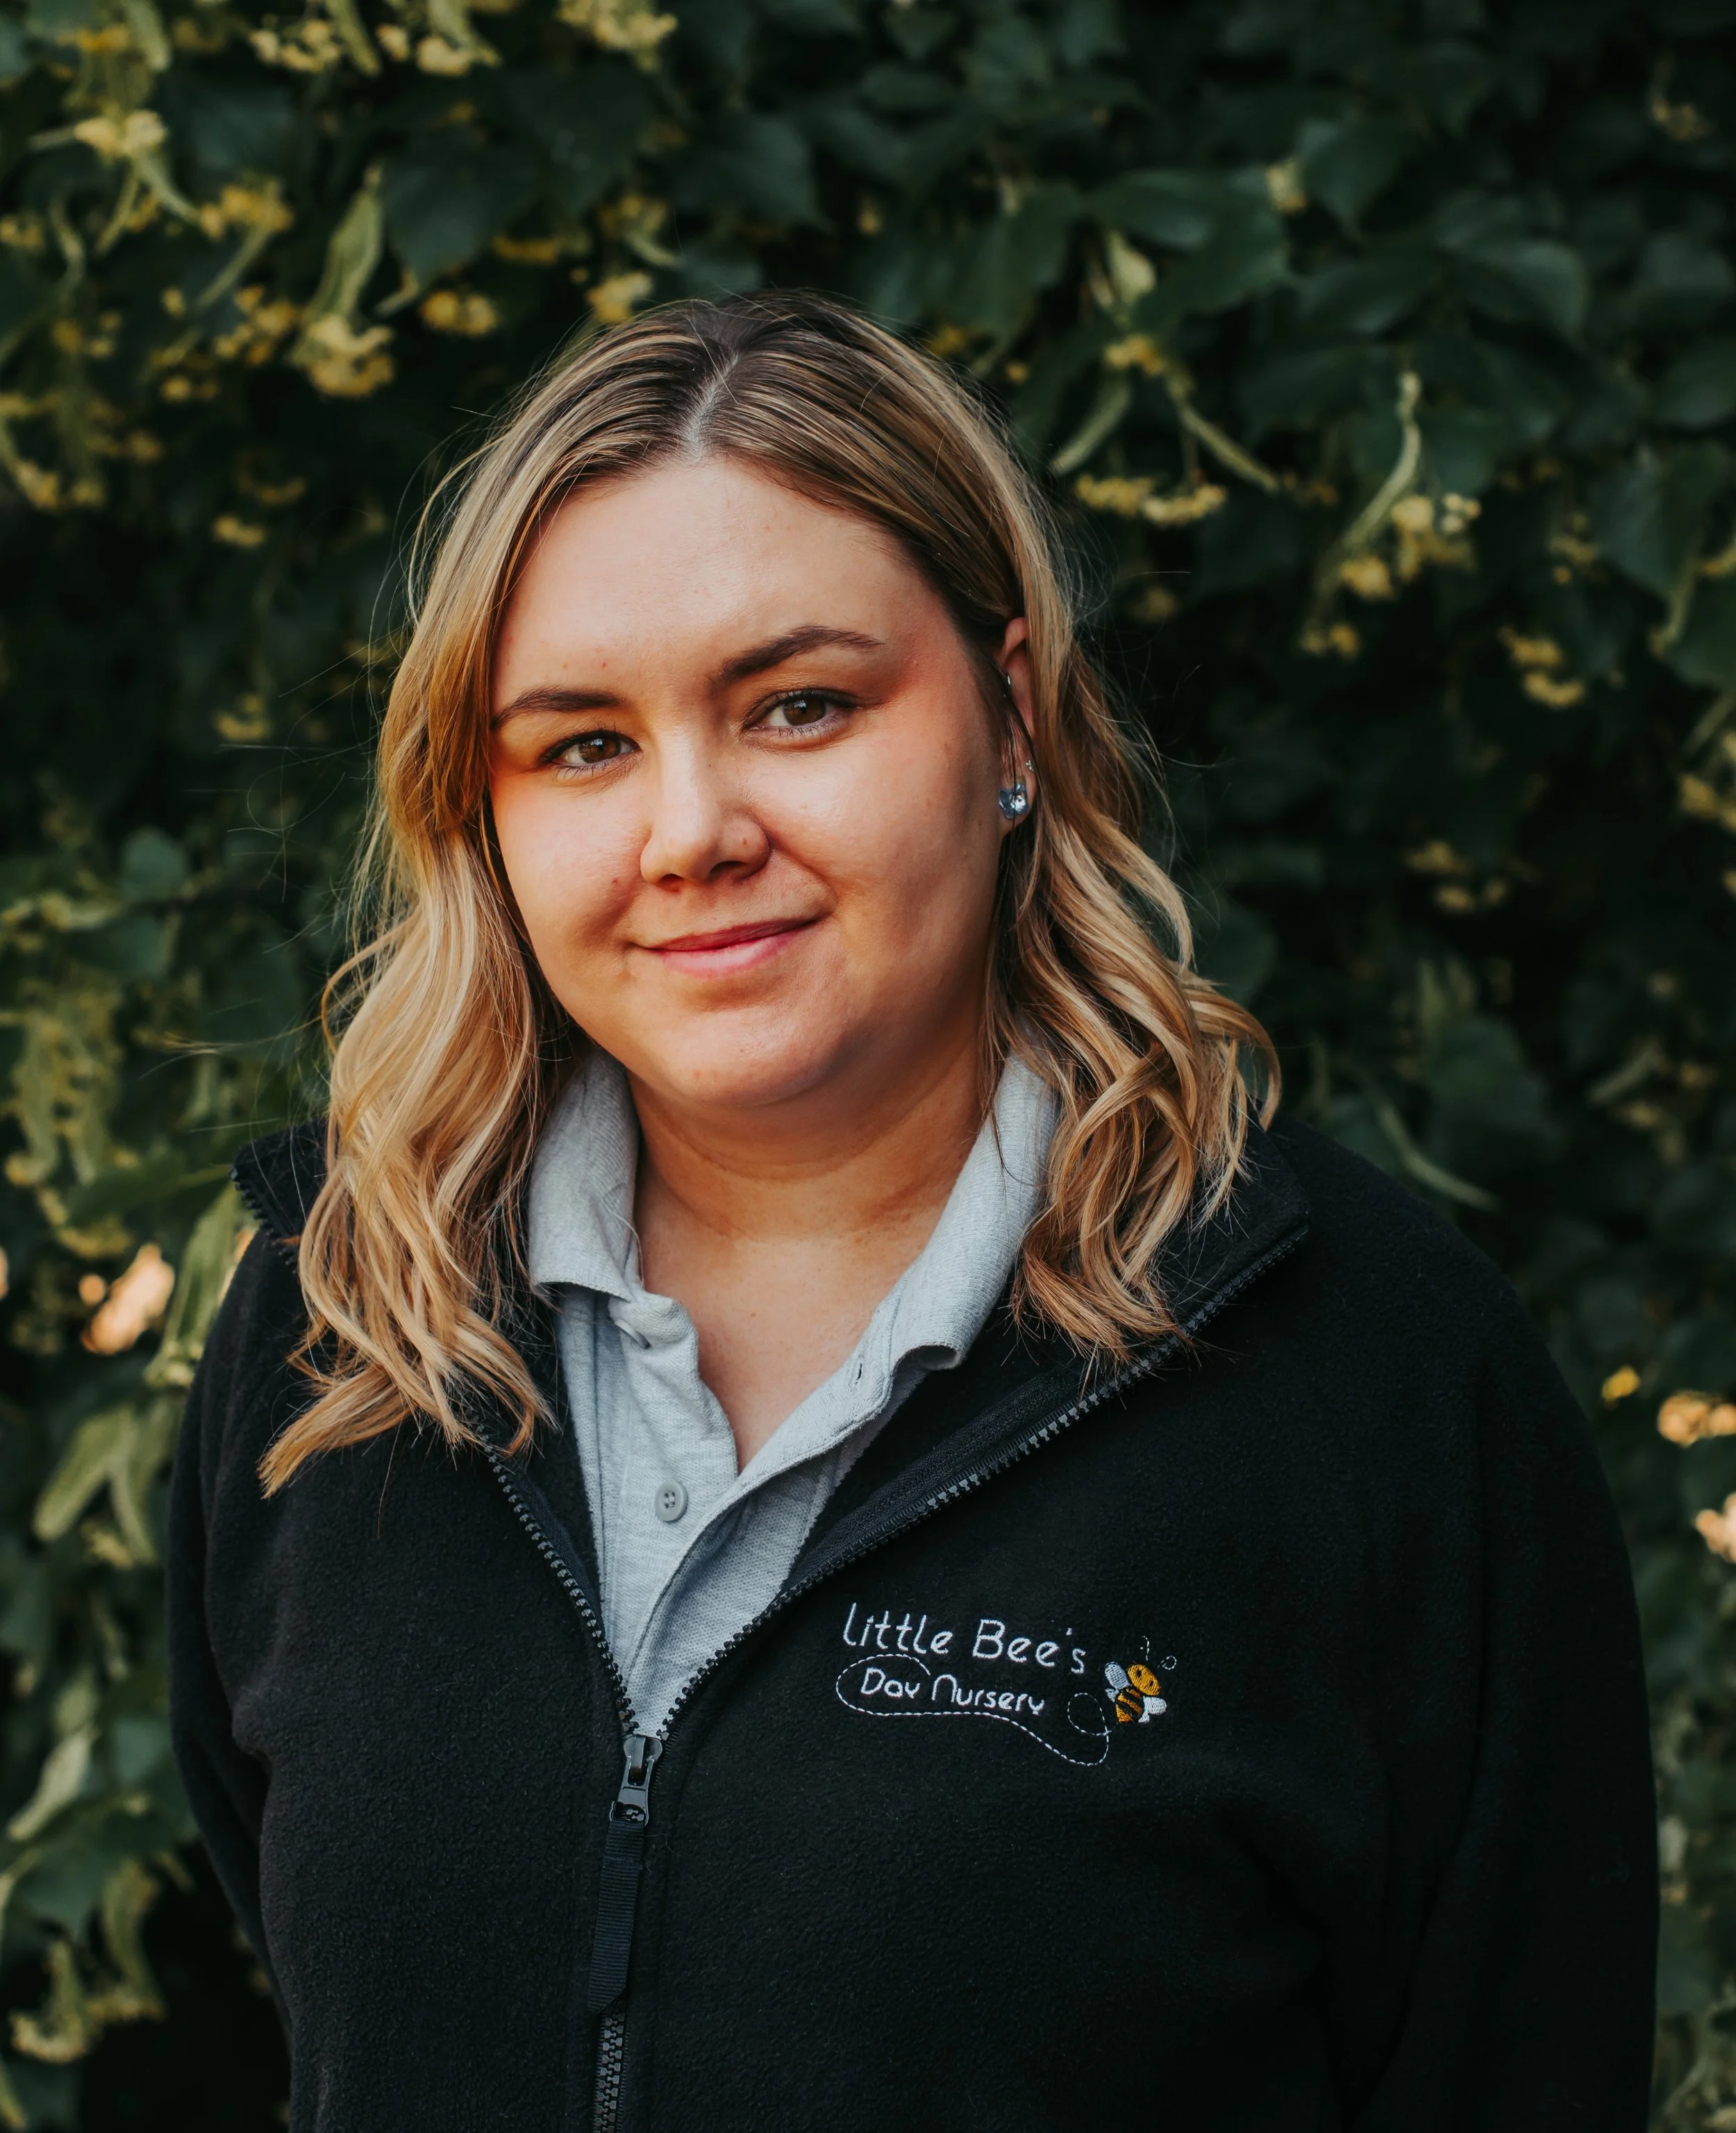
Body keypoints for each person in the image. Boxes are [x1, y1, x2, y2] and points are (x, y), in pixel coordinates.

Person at [168, 292, 1657, 2133]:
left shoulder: (1362, 1374)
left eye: (799, 705)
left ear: (1009, 711)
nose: (688, 828)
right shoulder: (340, 1335)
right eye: (580, 745)